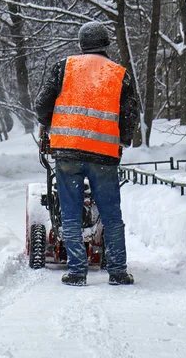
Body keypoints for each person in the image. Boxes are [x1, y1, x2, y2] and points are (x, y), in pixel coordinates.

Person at [35, 21, 138, 287]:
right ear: (106, 44)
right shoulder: (119, 74)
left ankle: (77, 272)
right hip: (104, 155)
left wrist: (47, 123)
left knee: (69, 213)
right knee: (111, 215)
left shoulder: (64, 67)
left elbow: (42, 103)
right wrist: (123, 140)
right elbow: (129, 114)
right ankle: (117, 271)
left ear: (81, 45)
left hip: (67, 152)